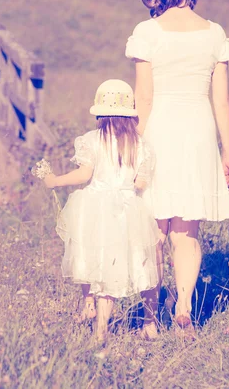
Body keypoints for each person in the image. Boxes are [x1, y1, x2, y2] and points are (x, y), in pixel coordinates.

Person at [125, 0, 229, 336]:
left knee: (153, 231)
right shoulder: (214, 33)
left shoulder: (147, 32)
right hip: (198, 134)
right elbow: (221, 101)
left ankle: (149, 318)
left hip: (159, 132)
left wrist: (134, 149)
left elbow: (143, 97)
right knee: (186, 232)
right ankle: (185, 311)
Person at [40, 79, 161, 342]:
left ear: (100, 114)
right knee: (112, 269)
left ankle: (88, 304)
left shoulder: (91, 141)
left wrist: (56, 180)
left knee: (87, 255)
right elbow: (141, 183)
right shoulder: (140, 145)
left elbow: (84, 174)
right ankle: (101, 330)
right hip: (126, 210)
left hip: (94, 206)